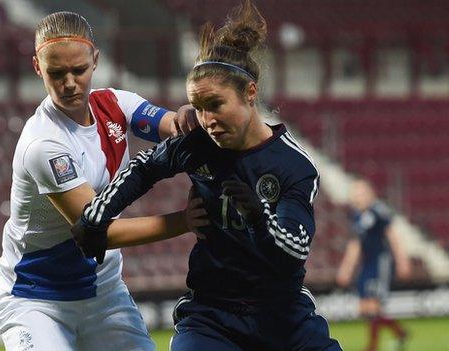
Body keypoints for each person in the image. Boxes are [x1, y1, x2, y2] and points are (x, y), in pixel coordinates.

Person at [71, 1, 342, 350]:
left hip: (283, 316)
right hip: (212, 315)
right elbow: (144, 169)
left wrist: (260, 216)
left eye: (215, 105)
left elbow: (294, 250)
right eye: (197, 107)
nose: (206, 118)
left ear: (250, 93)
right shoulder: (197, 143)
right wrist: (95, 217)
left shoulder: (294, 166)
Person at [0, 11, 198, 351]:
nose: (69, 82)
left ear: (96, 61)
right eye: (56, 73)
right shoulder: (44, 144)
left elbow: (169, 123)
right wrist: (185, 221)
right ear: (38, 67)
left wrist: (187, 117)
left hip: (103, 293)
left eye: (79, 70)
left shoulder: (116, 104)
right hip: (38, 300)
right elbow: (97, 229)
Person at [336, 179, 411, 351]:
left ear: (371, 194)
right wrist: (345, 270)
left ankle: (372, 346)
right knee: (364, 308)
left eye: (361, 193)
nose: (357, 197)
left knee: (373, 306)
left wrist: (402, 261)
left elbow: (392, 236)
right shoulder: (356, 216)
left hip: (381, 262)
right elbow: (355, 244)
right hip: (367, 263)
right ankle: (400, 332)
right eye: (355, 194)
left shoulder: (379, 211)